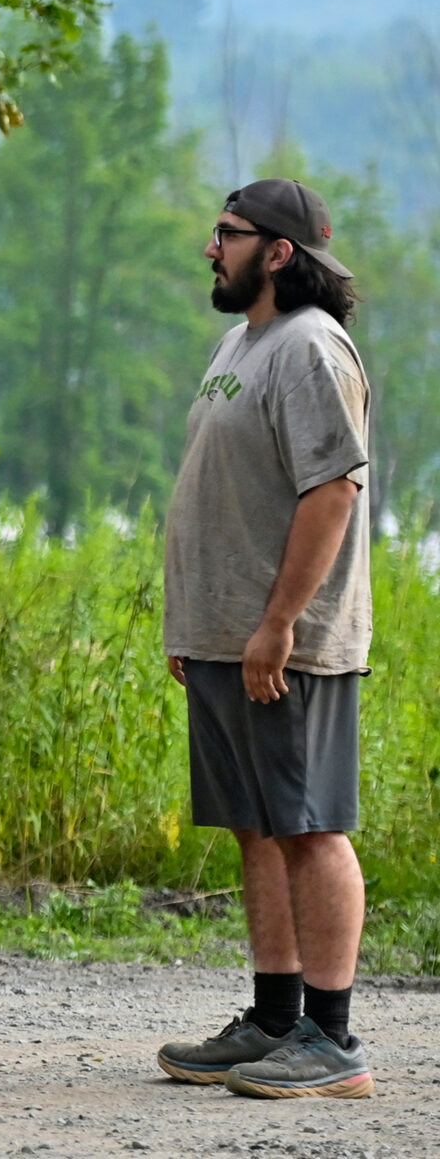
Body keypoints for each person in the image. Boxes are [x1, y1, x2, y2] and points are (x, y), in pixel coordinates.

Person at [155, 180, 375, 1099]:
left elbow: (333, 490)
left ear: (279, 251)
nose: (212, 248)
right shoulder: (241, 343)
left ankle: (333, 1038)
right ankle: (276, 1019)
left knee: (310, 826)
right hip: (225, 639)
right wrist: (195, 623)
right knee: (257, 826)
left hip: (287, 646)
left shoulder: (311, 346)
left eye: (228, 234)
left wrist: (278, 623)